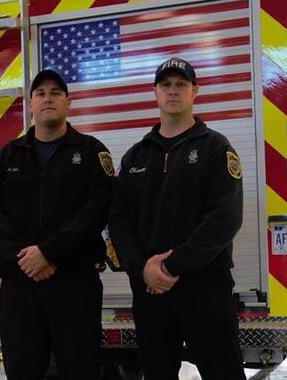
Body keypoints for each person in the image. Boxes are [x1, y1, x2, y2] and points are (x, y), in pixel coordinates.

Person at [108, 57, 245, 379]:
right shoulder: (135, 156)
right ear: (154, 92)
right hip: (150, 291)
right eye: (166, 85)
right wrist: (141, 268)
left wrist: (170, 266)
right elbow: (118, 221)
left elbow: (225, 219)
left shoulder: (215, 148)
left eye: (181, 85)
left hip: (205, 287)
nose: (173, 91)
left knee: (222, 371)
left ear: (194, 91)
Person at [0, 69, 114, 379]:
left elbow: (96, 212)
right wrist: (28, 258)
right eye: (40, 94)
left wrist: (48, 253)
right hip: (20, 285)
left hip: (74, 284)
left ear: (69, 102)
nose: (47, 98)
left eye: (55, 93)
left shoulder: (92, 153)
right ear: (30, 104)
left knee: (80, 370)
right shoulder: (6, 157)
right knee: (22, 371)